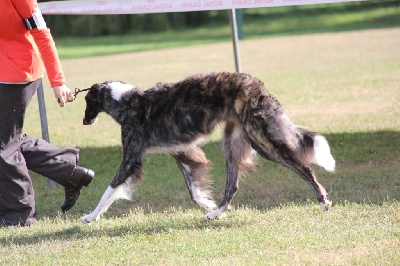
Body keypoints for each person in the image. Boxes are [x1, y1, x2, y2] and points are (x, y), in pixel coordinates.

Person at [0, 0, 94, 227]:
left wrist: (58, 81)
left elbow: (41, 32)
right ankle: (68, 170)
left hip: (15, 75)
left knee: (4, 146)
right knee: (9, 140)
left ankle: (19, 216)